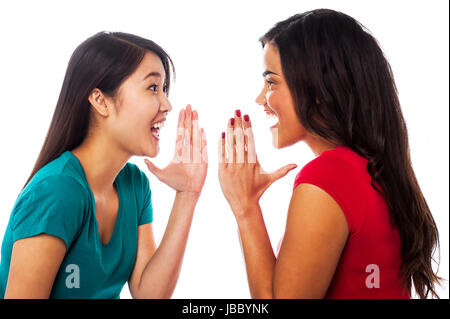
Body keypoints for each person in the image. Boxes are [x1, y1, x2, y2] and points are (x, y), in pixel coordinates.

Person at [218, 9, 441, 299]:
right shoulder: (374, 171)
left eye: (271, 82)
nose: (260, 98)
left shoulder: (329, 176)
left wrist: (246, 208)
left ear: (317, 90)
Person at [0, 31, 208, 298]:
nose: (167, 104)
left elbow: (149, 294)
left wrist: (187, 195)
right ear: (100, 100)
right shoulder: (57, 191)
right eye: (153, 88)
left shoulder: (134, 184)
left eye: (164, 89)